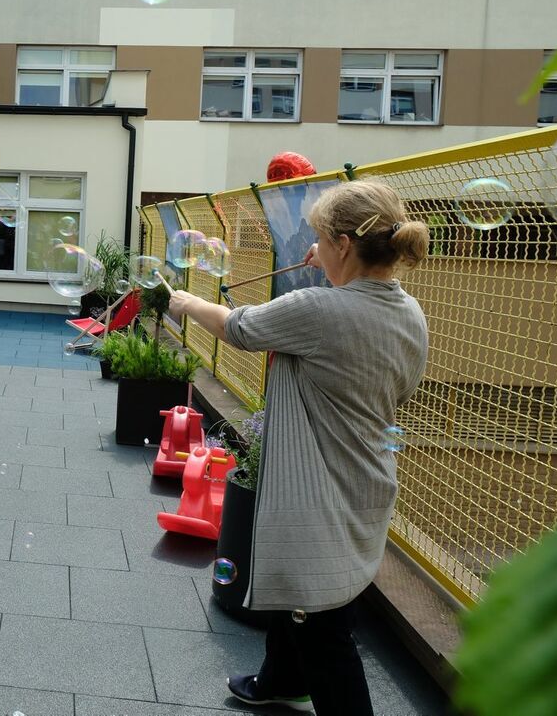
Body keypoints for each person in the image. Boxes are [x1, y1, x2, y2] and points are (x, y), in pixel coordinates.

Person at [168, 181, 430, 716]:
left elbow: (239, 327)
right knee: (311, 597)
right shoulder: (410, 314)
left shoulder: (317, 309)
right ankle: (280, 679)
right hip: (367, 481)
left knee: (325, 630)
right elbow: (362, 351)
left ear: (341, 244)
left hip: (318, 492)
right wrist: (330, 273)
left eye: (318, 239)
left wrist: (186, 300)